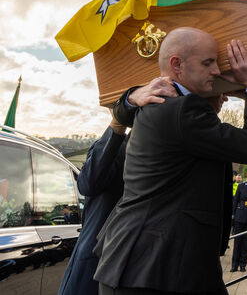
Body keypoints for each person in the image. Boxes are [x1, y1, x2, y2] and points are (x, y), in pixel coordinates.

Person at [93, 28, 247, 295]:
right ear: (177, 64)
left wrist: (130, 97)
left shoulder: (159, 104)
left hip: (158, 263)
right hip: (153, 268)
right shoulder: (181, 109)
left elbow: (126, 111)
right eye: (207, 62)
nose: (215, 71)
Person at [58, 79, 177, 295]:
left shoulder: (172, 155)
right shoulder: (116, 147)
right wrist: (119, 120)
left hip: (138, 270)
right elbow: (87, 183)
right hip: (95, 265)